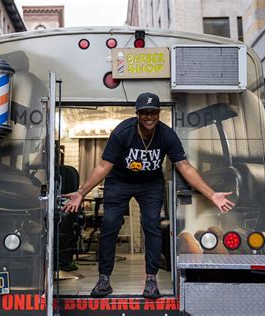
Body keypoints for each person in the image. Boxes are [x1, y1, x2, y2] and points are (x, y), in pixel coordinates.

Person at [63, 92, 234, 298]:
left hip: (150, 183)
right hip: (120, 181)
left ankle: (151, 279)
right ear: (137, 114)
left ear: (159, 113)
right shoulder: (122, 132)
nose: (149, 116)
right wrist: (82, 192)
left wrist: (212, 194)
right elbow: (103, 166)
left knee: (152, 224)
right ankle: (104, 279)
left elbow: (184, 166)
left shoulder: (167, 135)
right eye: (144, 112)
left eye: (153, 112)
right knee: (109, 223)